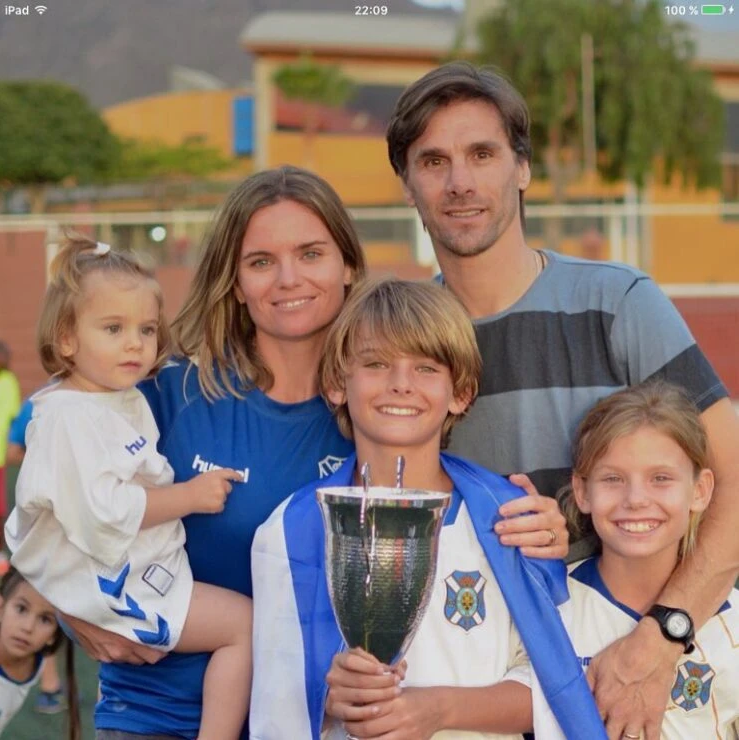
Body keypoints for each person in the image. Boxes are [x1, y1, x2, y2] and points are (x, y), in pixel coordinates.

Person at [386, 61, 739, 738]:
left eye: (482, 154)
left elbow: (731, 482)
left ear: (522, 168)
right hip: (481, 690)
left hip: (629, 677)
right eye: (433, 161)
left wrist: (661, 640)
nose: (459, 182)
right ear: (407, 183)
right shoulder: (409, 346)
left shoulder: (618, 305)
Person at [60, 166, 367, 740]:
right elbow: (53, 502)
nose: (287, 278)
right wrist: (68, 608)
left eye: (310, 253)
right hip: (156, 718)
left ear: (347, 264)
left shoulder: (379, 407)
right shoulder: (169, 394)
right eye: (260, 262)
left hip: (312, 724)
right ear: (234, 279)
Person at [250, 277, 606, 740]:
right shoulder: (289, 531)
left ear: (461, 391)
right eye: (376, 364)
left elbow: (557, 684)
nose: (401, 385)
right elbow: (275, 711)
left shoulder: (513, 521)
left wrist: (440, 710)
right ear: (337, 382)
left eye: (426, 368)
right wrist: (327, 700)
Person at [5, 236, 253, 740]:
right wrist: (192, 495)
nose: (135, 344)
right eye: (113, 329)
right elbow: (106, 510)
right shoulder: (70, 417)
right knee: (243, 627)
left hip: (126, 576)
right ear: (67, 339)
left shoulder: (108, 395)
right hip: (118, 587)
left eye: (145, 329)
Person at [560, 381, 738, 738]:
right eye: (613, 478)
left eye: (661, 478)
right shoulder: (551, 606)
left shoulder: (733, 623)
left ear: (700, 490)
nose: (636, 499)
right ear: (582, 491)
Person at [6, 396, 66, 714]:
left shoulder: (38, 401)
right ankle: (50, 684)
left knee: (42, 603)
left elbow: (14, 452)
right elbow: (14, 451)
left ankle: (50, 685)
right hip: (51, 530)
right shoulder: (39, 403)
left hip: (48, 530)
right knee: (43, 604)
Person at [0, 567, 80, 739]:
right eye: (21, 609)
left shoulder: (36, 660)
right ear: (0, 608)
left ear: (54, 635)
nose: (28, 627)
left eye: (45, 619)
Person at [0, 341, 20, 561]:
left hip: (1, 457)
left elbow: (11, 415)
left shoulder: (8, 381)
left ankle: (2, 553)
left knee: (2, 507)